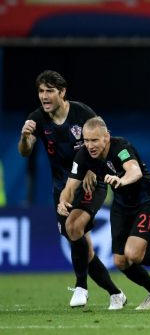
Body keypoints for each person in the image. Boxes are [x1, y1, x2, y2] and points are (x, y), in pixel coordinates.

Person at [57, 117, 150, 310]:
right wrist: (63, 200)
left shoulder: (120, 148)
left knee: (134, 254)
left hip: (147, 199)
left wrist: (122, 181)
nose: (90, 145)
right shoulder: (83, 155)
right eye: (86, 140)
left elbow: (134, 171)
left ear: (106, 137)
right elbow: (70, 186)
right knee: (120, 261)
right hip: (122, 204)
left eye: (95, 140)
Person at [18, 70, 124, 309]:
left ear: (62, 93)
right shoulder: (37, 118)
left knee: (74, 227)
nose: (44, 96)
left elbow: (103, 142)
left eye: (49, 91)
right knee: (81, 247)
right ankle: (115, 293)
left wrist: (90, 168)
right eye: (41, 91)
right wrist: (25, 137)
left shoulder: (82, 113)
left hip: (90, 181)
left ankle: (81, 286)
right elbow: (25, 151)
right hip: (62, 187)